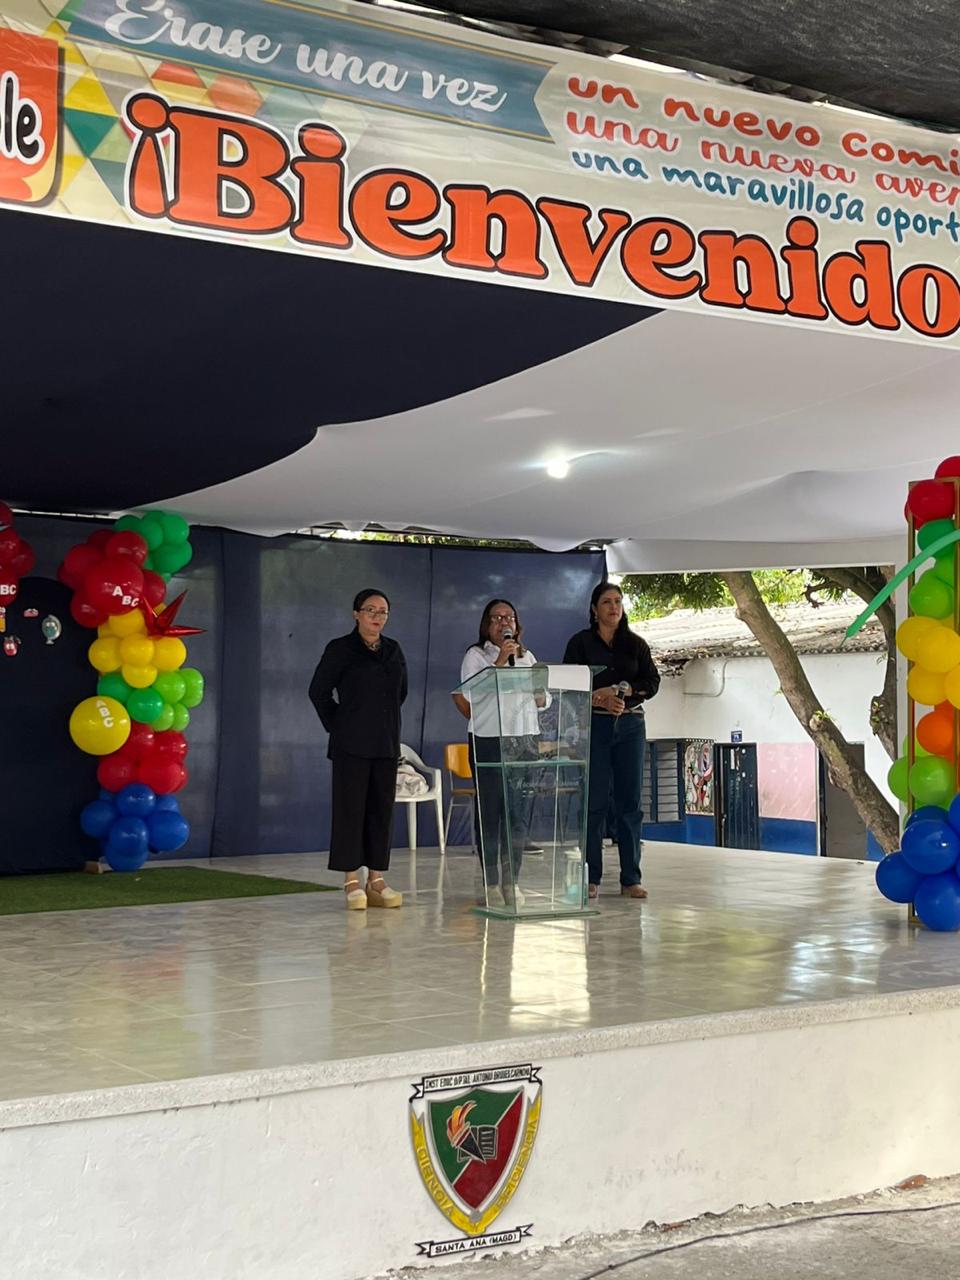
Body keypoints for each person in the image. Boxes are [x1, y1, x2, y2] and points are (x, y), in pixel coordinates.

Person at [309, 589, 407, 910]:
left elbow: (400, 693)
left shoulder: (393, 650)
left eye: (383, 611)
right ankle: (351, 879)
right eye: (370, 610)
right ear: (356, 614)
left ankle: (376, 879)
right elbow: (319, 691)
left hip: (385, 742)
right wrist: (339, 724)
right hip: (351, 744)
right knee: (351, 811)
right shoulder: (341, 649)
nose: (377, 617)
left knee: (381, 811)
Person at [564, 582, 660, 900]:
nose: (613, 607)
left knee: (630, 802)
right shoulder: (580, 643)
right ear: (594, 609)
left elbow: (652, 682)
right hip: (595, 727)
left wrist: (625, 690)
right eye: (606, 602)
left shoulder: (636, 644)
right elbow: (567, 684)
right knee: (594, 802)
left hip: (631, 727)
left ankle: (630, 878)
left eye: (618, 601)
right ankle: (591, 876)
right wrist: (597, 698)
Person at [452, 599, 545, 907]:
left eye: (510, 617)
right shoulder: (476, 655)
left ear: (517, 625)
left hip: (524, 741)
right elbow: (469, 694)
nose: (504, 623)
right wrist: (501, 663)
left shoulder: (528, 656)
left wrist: (541, 691)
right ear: (486, 625)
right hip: (489, 739)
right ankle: (491, 880)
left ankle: (512, 880)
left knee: (518, 815)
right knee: (490, 813)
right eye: (497, 618)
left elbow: (542, 701)